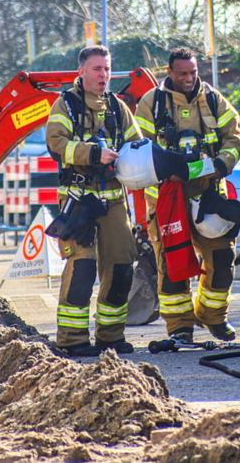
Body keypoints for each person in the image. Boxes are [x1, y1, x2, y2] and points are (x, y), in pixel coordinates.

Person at [134, 47, 240, 343]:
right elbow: (138, 147)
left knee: (222, 259)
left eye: (193, 73)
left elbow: (233, 137)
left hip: (208, 195)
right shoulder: (151, 104)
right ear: (169, 73)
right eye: (182, 73)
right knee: (172, 265)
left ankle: (212, 316)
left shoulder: (213, 100)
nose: (188, 78)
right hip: (168, 199)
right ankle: (180, 327)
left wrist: (222, 163)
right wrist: (163, 168)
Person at [45, 45, 142, 357]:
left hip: (114, 201)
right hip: (78, 203)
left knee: (121, 268)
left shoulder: (117, 107)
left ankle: (111, 337)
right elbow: (56, 143)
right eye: (97, 69)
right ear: (82, 72)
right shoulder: (65, 105)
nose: (104, 75)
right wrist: (93, 153)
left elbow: (136, 144)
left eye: (107, 69)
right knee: (82, 267)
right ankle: (72, 340)